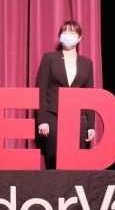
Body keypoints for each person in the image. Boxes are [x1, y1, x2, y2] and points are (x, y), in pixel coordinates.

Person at [36, 20, 96, 169]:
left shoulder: (87, 63)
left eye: (72, 33)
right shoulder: (49, 59)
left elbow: (89, 94)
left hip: (79, 117)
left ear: (80, 38)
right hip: (53, 115)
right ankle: (53, 191)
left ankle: (74, 191)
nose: (68, 35)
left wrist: (90, 124)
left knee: (76, 160)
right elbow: (41, 89)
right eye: (65, 32)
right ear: (60, 36)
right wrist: (42, 120)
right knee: (53, 158)